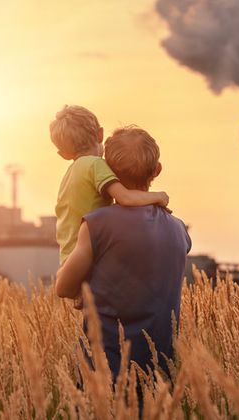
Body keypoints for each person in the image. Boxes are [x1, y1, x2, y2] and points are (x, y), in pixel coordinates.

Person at [54, 126, 192, 380]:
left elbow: (63, 287)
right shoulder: (179, 230)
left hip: (104, 373)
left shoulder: (97, 224)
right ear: (157, 170)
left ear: (107, 171)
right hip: (161, 374)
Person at [50, 105, 170, 267]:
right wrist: (159, 197)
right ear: (100, 134)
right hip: (87, 259)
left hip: (69, 260)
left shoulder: (72, 173)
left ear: (63, 154)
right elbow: (125, 197)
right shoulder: (95, 165)